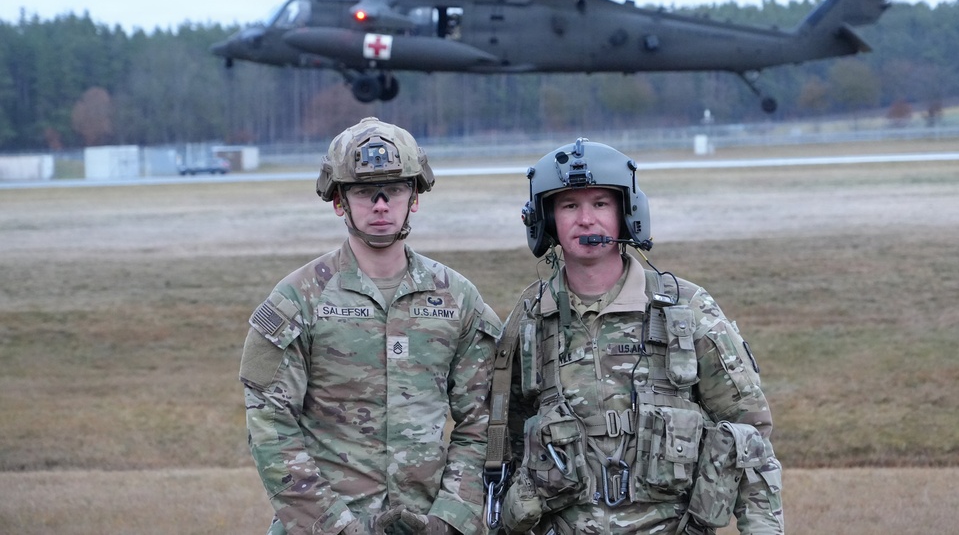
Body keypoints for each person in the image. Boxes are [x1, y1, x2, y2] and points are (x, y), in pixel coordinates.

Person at [491, 138, 783, 534]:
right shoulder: (529, 319)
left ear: (626, 213)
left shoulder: (684, 308)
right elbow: (501, 448)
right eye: (569, 205)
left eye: (600, 204)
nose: (585, 220)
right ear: (546, 220)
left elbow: (750, 435)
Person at [240, 117, 502, 535]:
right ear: (339, 201)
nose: (380, 205)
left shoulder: (459, 299)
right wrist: (334, 526)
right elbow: (271, 426)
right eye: (364, 192)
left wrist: (451, 519)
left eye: (395, 189)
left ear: (414, 197)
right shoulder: (298, 299)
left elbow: (483, 423)